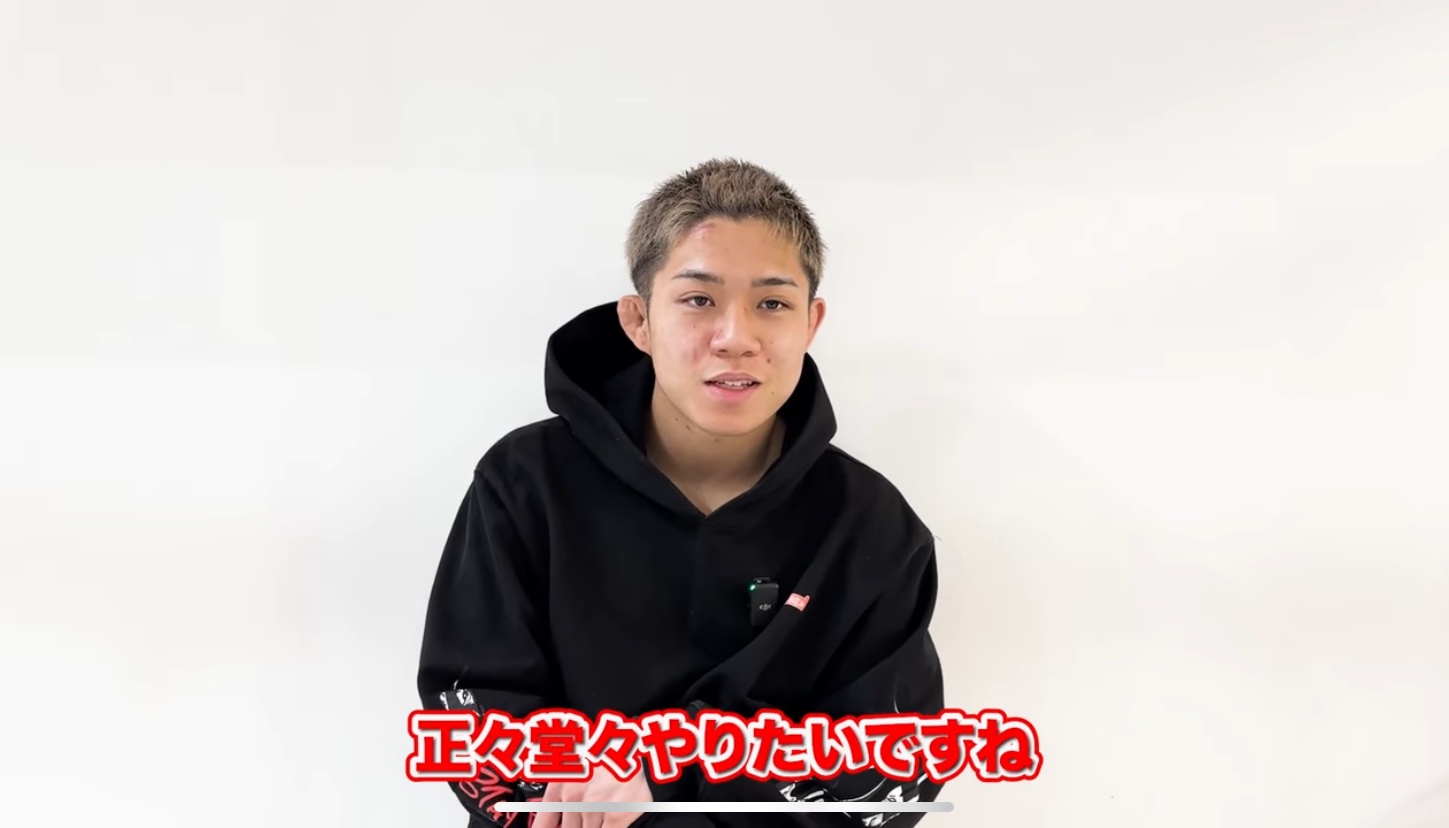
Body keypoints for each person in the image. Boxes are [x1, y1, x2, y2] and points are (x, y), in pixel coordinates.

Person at [416, 158, 946, 828]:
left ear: (811, 324)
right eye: (698, 300)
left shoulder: (871, 527)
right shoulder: (526, 482)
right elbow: (472, 716)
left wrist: (663, 790)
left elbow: (890, 773)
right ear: (638, 319)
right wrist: (582, 788)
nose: (735, 338)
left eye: (772, 303)